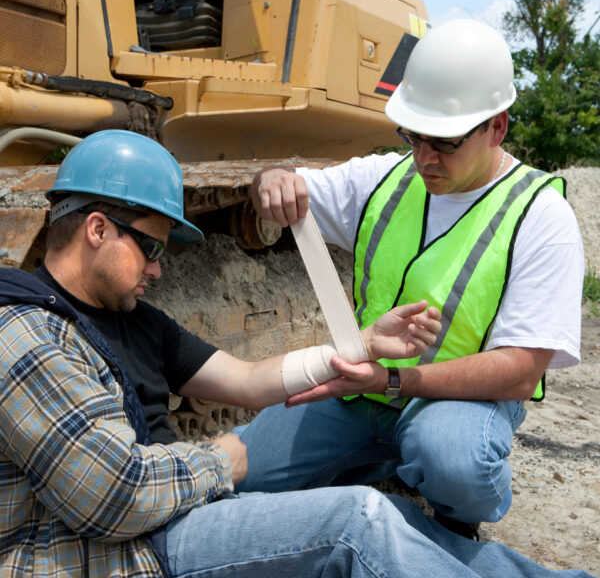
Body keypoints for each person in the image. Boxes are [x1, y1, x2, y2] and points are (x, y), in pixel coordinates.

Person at [1, 130, 593, 578]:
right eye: (152, 248)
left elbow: (248, 378)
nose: (158, 268)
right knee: (357, 521)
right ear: (98, 229)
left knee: (404, 523)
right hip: (131, 546)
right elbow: (115, 497)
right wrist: (223, 461)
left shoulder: (136, 320)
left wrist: (359, 346)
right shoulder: (26, 336)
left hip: (169, 508)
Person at [235, 18, 585, 540]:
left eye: (444, 142)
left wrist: (395, 380)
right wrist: (272, 181)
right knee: (245, 476)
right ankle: (385, 462)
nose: (424, 157)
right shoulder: (388, 177)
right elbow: (285, 186)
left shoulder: (541, 216)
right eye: (413, 136)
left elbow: (519, 370)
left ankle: (453, 513)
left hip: (456, 406)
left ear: (497, 127)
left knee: (453, 461)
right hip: (362, 394)